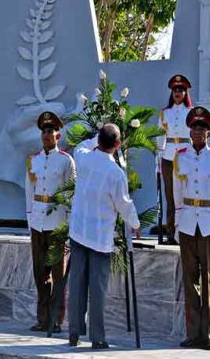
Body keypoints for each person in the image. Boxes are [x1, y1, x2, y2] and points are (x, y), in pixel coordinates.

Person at [67, 124, 140, 349]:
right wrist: (135, 223)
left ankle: (74, 332)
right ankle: (97, 337)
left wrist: (94, 139)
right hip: (99, 236)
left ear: (98, 140)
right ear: (117, 145)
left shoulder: (83, 158)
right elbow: (123, 204)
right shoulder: (115, 173)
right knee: (97, 288)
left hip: (79, 230)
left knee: (77, 283)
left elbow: (80, 146)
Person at [173, 106, 210, 350]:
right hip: (187, 222)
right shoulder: (180, 156)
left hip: (209, 223)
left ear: (208, 133)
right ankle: (193, 332)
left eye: (202, 128)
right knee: (189, 280)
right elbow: (177, 192)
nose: (197, 132)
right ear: (190, 131)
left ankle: (208, 334)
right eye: (194, 128)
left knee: (208, 280)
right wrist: (176, 221)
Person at [25, 112, 75, 333]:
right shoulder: (33, 159)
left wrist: (69, 224)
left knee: (58, 273)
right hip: (38, 221)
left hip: (57, 222)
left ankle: (56, 318)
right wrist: (30, 219)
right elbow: (29, 191)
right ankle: (42, 317)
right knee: (40, 273)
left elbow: (70, 194)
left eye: (50, 131)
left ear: (58, 135)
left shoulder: (66, 160)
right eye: (44, 131)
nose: (47, 135)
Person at [156, 74, 193, 244]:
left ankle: (186, 232)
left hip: (187, 156)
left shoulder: (191, 112)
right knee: (170, 197)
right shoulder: (165, 113)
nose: (177, 92)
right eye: (175, 90)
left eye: (181, 90)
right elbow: (160, 136)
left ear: (186, 93)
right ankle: (171, 233)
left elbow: (195, 136)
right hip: (169, 157)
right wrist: (158, 158)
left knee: (187, 194)